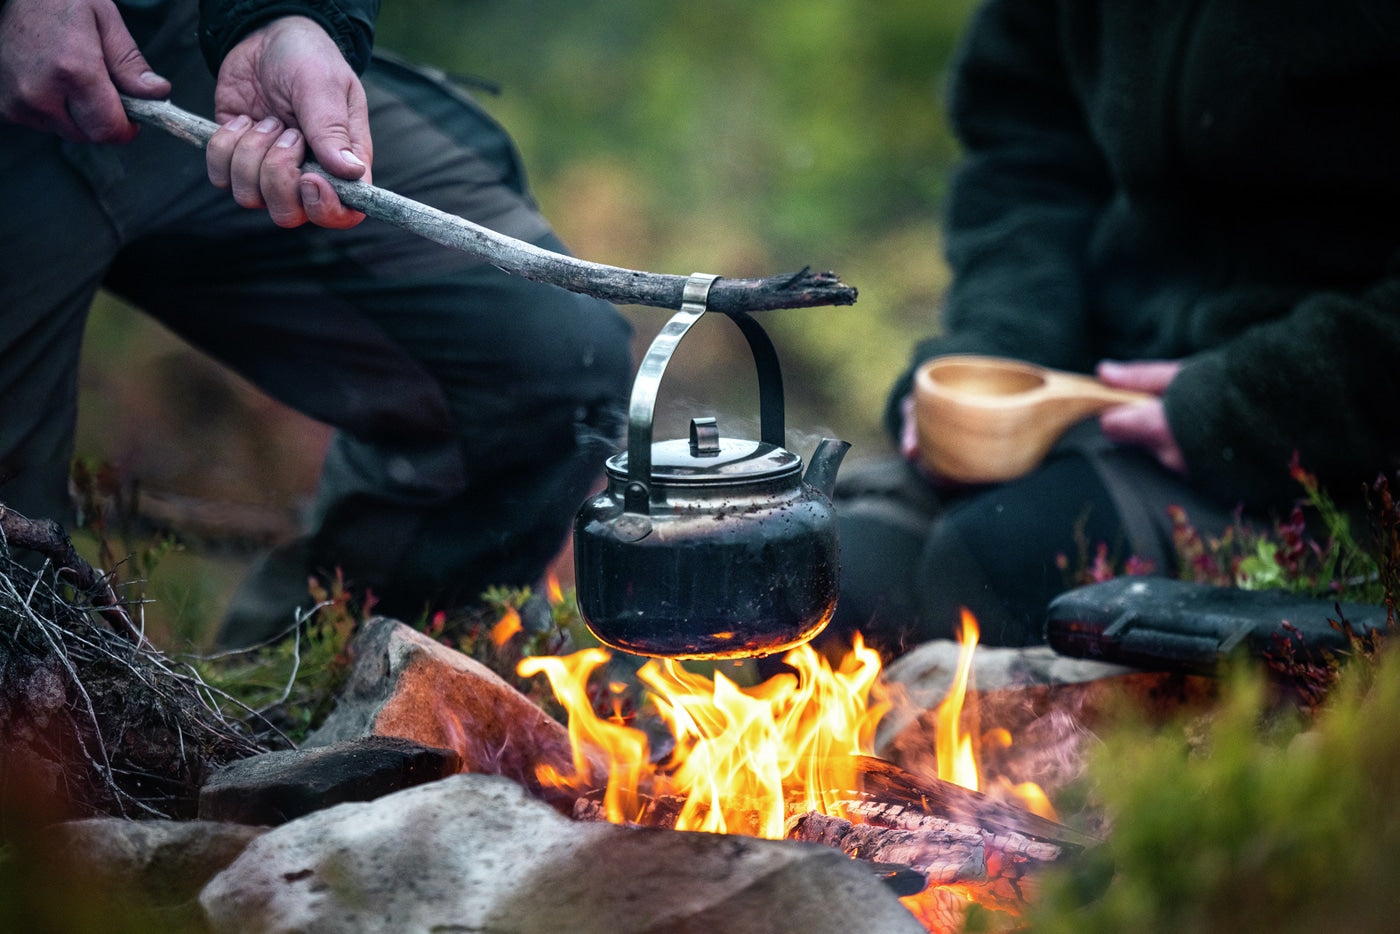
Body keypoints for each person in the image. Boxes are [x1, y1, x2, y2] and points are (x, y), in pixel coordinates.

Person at [0, 0, 634, 644]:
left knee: (547, 355)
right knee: (18, 599)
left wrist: (285, 15)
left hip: (186, 44)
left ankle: (300, 699)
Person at [830, 0, 1400, 654]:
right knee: (835, 576)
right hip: (1091, 377)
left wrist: (1262, 400)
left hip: (1334, 449)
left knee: (994, 561)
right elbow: (1028, 147)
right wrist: (1002, 347)